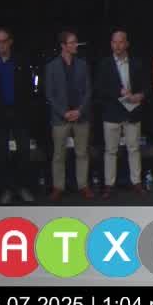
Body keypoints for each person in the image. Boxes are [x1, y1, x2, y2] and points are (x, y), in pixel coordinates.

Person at [94, 28, 148, 199]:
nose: (117, 45)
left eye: (121, 42)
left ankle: (136, 182)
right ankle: (109, 185)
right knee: (110, 150)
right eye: (114, 42)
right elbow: (99, 88)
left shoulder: (137, 63)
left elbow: (146, 86)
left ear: (127, 44)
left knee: (134, 148)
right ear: (111, 44)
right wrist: (119, 92)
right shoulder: (104, 64)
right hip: (112, 113)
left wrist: (140, 95)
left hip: (132, 112)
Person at [0, 27, 36, 204]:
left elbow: (29, 88)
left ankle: (23, 187)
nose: (1, 45)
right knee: (2, 153)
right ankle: (7, 188)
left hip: (19, 112)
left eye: (4, 41)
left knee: (23, 151)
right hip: (0, 113)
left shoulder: (20, 61)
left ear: (10, 41)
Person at [44, 29, 93, 202]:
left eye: (76, 42)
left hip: (81, 115)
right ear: (63, 46)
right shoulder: (51, 67)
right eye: (72, 42)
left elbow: (88, 91)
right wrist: (63, 112)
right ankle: (58, 186)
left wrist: (79, 110)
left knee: (82, 153)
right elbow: (50, 94)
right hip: (60, 118)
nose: (75, 45)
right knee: (58, 155)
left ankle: (83, 185)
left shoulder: (82, 64)